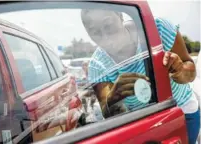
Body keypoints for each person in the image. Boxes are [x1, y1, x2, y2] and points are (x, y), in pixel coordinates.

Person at [81, 9, 200, 144]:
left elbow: (190, 72)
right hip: (142, 127)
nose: (105, 37)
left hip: (181, 113)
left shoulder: (158, 29)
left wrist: (179, 70)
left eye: (108, 26)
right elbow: (110, 114)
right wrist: (113, 97)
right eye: (95, 33)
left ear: (120, 15)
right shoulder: (97, 66)